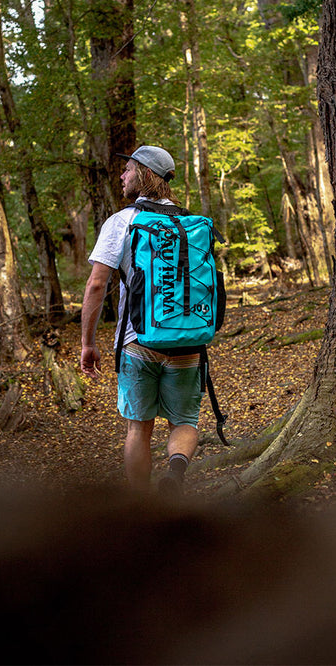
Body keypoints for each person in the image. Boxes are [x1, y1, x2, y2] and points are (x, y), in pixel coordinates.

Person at [79, 145, 202, 495]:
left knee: (138, 429)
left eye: (128, 169)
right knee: (185, 422)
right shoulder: (189, 223)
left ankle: (142, 508)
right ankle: (175, 473)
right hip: (188, 342)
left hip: (139, 342)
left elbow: (97, 284)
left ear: (145, 175)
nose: (122, 175)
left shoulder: (123, 221)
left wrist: (88, 343)